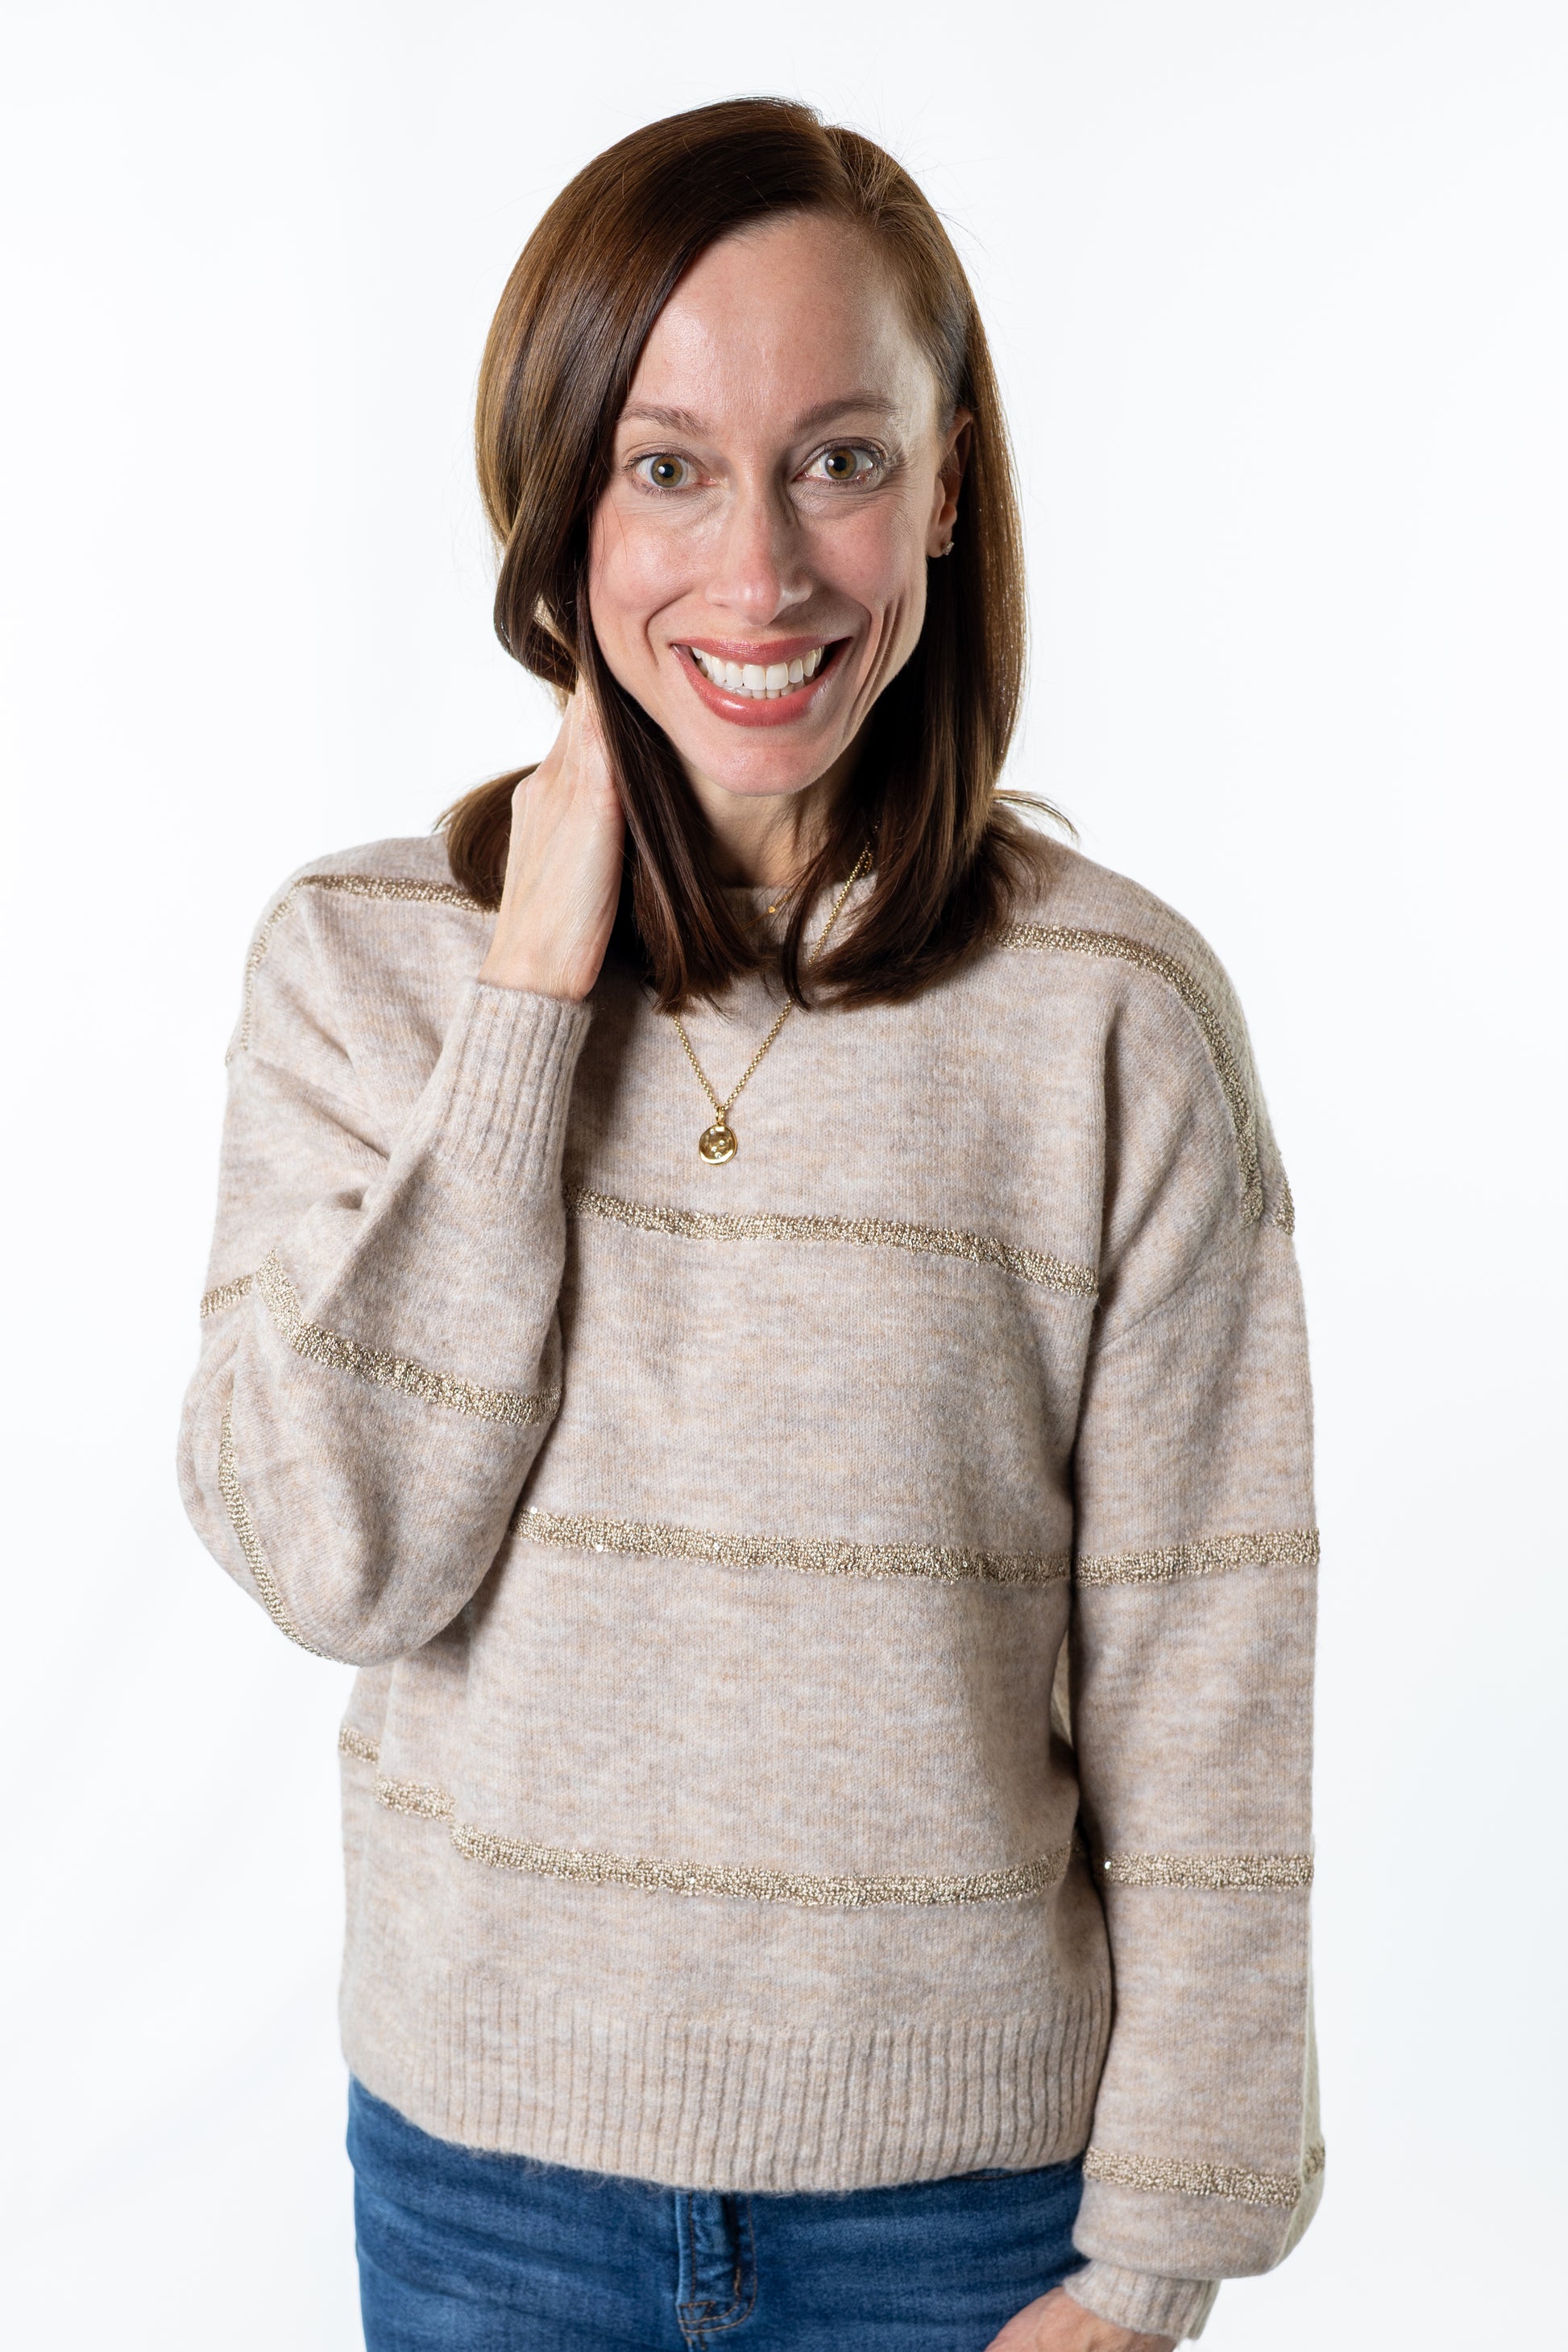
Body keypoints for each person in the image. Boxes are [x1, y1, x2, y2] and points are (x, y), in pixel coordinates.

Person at [179, 97, 1321, 2352]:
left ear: (952, 478)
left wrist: (1153, 2267)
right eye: (667, 465)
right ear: (554, 495)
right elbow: (335, 1557)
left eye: (840, 457)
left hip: (968, 2229)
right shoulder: (360, 964)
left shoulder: (1108, 1016)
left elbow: (1215, 1670)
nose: (765, 574)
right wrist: (528, 1001)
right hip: (488, 2190)